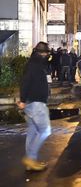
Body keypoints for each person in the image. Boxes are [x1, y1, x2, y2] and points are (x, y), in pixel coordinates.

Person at [17, 42, 52, 171]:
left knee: (32, 131)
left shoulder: (35, 64)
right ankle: (30, 158)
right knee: (45, 130)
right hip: (36, 103)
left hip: (32, 103)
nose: (48, 55)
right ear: (42, 53)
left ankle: (30, 162)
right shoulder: (35, 65)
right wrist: (22, 99)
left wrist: (23, 100)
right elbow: (25, 82)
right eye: (46, 53)